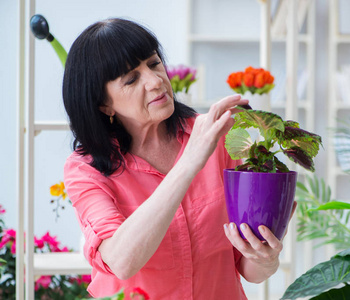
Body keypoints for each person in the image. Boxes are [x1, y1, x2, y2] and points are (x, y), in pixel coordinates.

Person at [63, 18, 295, 299]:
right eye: (132, 79)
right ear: (104, 104)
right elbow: (121, 261)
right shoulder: (86, 169)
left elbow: (247, 268)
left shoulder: (217, 135)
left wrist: (265, 257)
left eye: (153, 63)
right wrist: (190, 163)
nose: (155, 81)